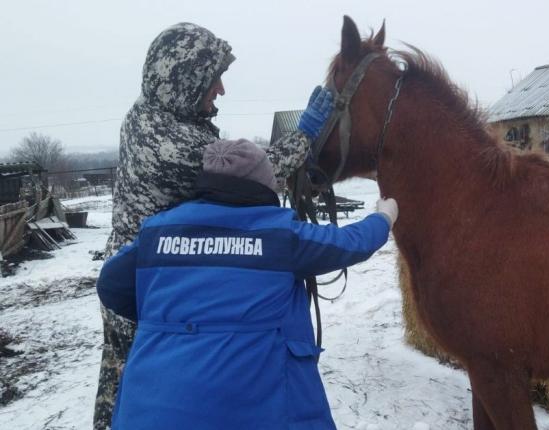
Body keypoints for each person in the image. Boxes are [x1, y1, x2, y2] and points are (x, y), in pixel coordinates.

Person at [95, 22, 335, 429]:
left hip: (160, 272)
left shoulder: (155, 113)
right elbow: (257, 171)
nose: (221, 88)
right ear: (187, 80)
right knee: (142, 390)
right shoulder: (166, 141)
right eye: (214, 78)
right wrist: (305, 134)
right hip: (151, 282)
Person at [97, 139, 398, 429]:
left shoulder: (157, 232)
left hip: (149, 410)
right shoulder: (278, 236)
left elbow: (110, 284)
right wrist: (383, 218)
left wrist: (166, 320)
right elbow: (349, 242)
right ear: (262, 184)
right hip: (257, 412)